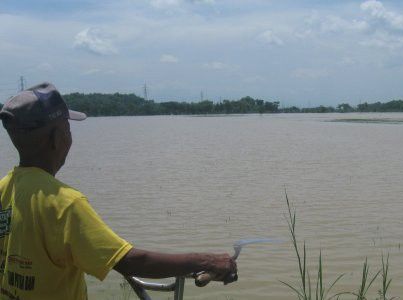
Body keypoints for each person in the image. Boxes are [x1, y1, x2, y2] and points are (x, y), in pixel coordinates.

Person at [0, 83, 237, 300]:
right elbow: (130, 261)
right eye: (68, 129)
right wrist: (207, 260)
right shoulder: (65, 203)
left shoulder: (4, 188)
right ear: (57, 137)